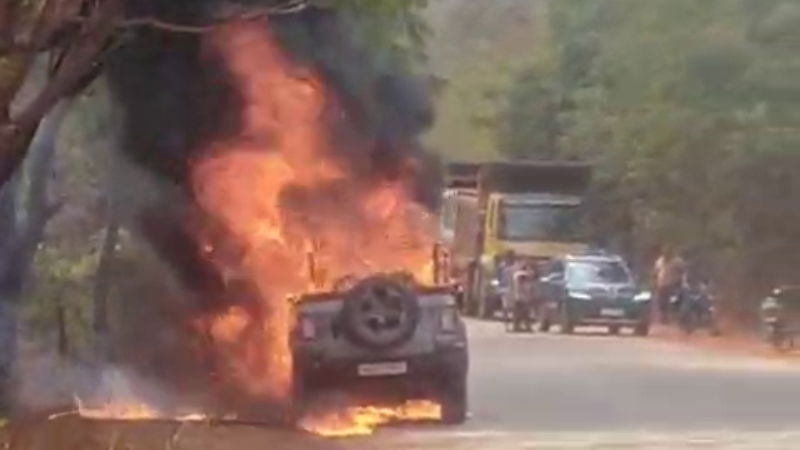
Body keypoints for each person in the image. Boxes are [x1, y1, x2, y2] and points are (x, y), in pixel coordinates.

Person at [652, 246, 686, 324]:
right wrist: (654, 282)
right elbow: (655, 273)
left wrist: (681, 281)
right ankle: (663, 318)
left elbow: (683, 271)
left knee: (676, 301)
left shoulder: (677, 261)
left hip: (673, 285)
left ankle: (678, 317)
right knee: (661, 303)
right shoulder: (659, 261)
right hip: (662, 285)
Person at [510, 259, 538, 332]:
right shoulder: (522, 275)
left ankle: (519, 326)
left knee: (521, 313)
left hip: (519, 296)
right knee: (523, 313)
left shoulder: (517, 275)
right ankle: (522, 326)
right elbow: (524, 285)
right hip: (522, 297)